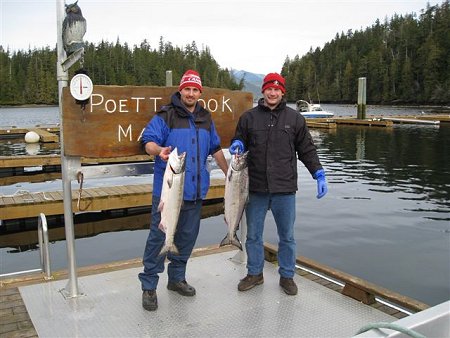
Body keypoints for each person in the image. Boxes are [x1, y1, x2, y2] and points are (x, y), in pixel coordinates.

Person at [229, 72, 328, 296]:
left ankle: (287, 276)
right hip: (254, 188)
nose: (272, 93)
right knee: (253, 235)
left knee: (287, 236)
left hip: (284, 189)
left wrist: (318, 173)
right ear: (263, 91)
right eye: (269, 89)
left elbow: (307, 150)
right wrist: (236, 143)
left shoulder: (295, 119)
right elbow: (240, 139)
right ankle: (255, 273)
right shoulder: (249, 118)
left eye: (277, 89)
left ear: (283, 92)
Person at [138, 70, 228, 311]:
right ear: (180, 90)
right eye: (186, 89)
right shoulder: (166, 115)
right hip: (167, 194)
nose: (190, 93)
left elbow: (216, 148)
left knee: (187, 239)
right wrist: (159, 151)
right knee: (159, 239)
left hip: (196, 192)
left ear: (200, 93)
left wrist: (229, 173)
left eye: (195, 89)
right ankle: (149, 286)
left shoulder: (206, 118)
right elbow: (147, 141)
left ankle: (176, 279)